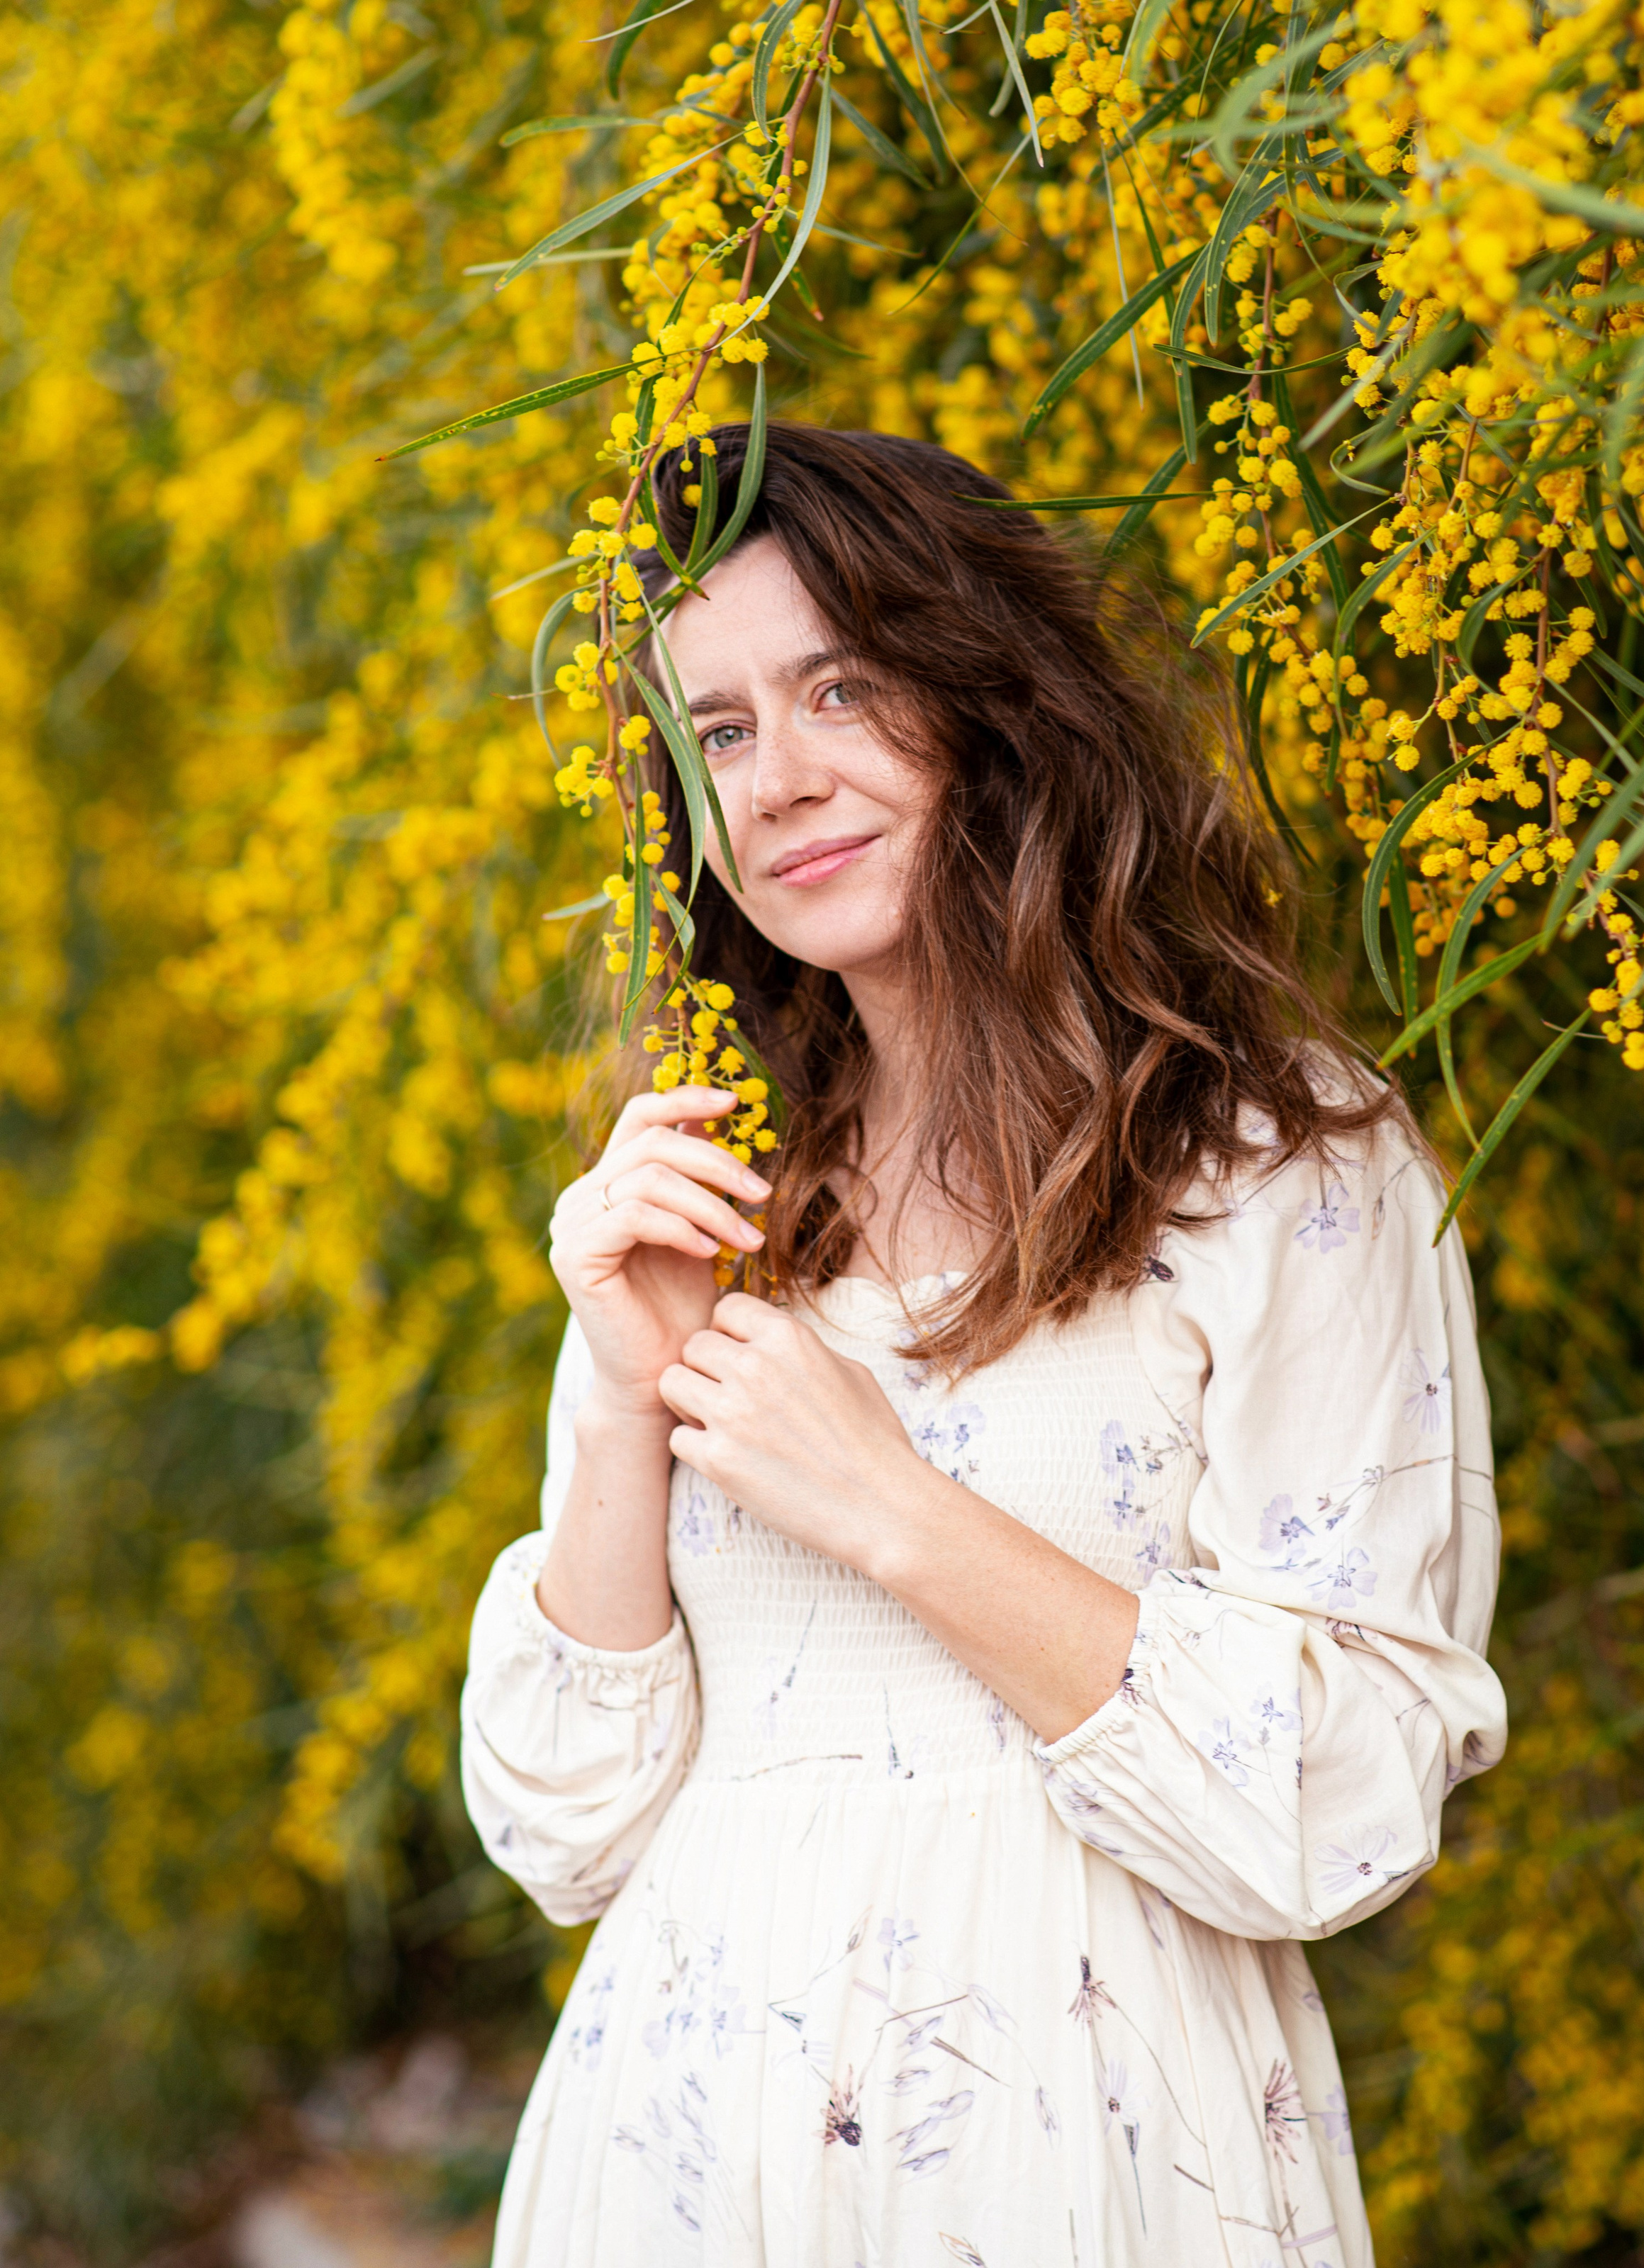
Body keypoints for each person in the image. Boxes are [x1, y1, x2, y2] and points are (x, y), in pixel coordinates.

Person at [460, 422, 1506, 2267]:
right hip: (680, 2154)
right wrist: (630, 1396)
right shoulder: (720, 1175)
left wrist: (898, 1511)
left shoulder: (1283, 1163)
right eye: (717, 732)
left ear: (988, 699)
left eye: (838, 687)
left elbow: (1343, 1792)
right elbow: (572, 1832)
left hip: (1092, 2154)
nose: (775, 781)